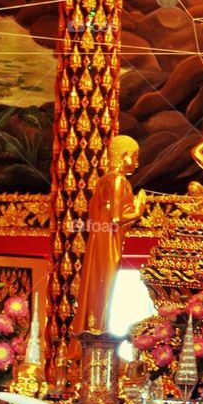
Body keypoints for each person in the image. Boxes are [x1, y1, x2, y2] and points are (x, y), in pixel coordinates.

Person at [71, 135, 146, 336]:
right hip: (108, 241)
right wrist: (139, 207)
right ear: (125, 156)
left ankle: (94, 327)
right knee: (105, 284)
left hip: (99, 238)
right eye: (135, 157)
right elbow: (116, 218)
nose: (137, 163)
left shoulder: (104, 180)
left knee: (98, 282)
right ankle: (100, 330)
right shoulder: (118, 180)